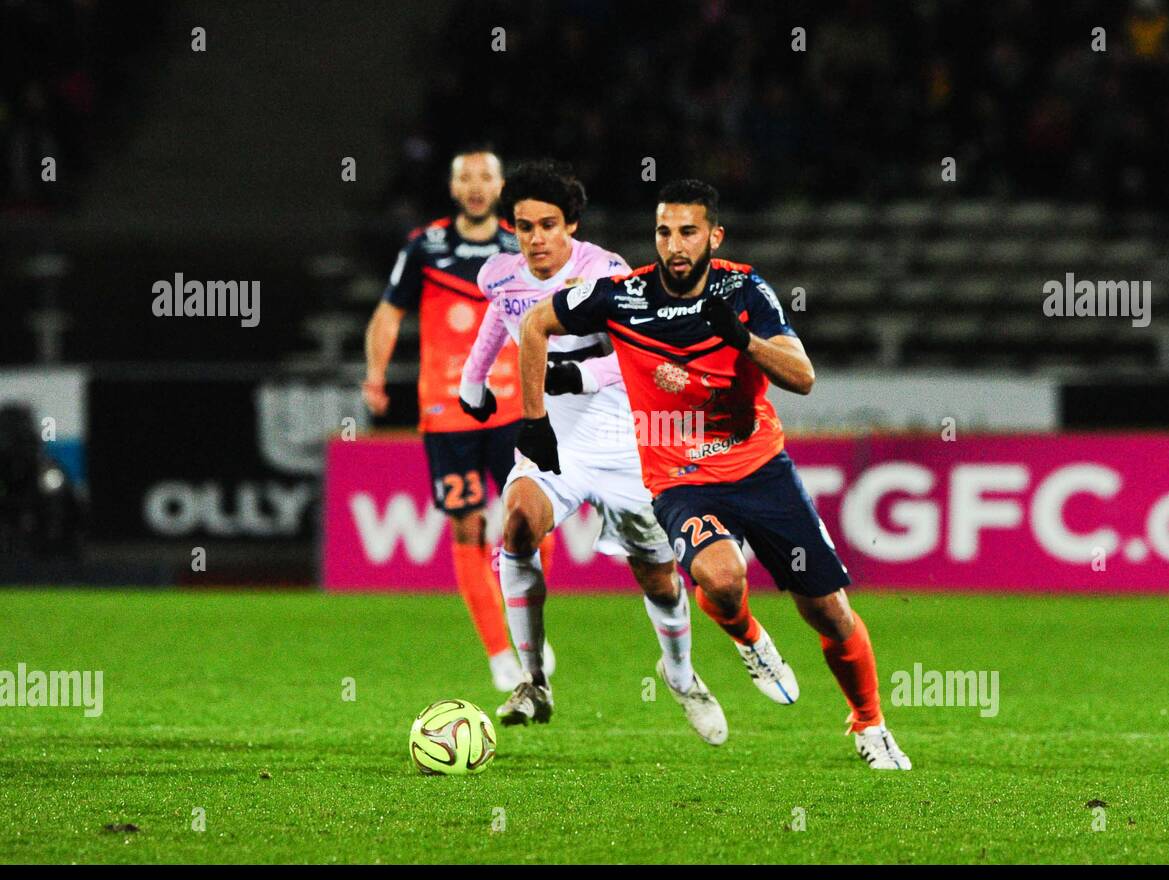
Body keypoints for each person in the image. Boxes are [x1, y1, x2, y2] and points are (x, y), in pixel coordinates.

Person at [514, 179, 912, 769]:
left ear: (713, 236)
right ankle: (748, 636)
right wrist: (534, 421)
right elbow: (534, 326)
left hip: (757, 465)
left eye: (688, 232)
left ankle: (869, 723)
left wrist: (744, 339)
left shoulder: (745, 290)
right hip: (678, 477)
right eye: (664, 232)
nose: (674, 245)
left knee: (828, 609)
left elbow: (803, 377)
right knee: (721, 579)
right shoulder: (622, 295)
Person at [458, 161, 726, 745]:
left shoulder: (605, 271)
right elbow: (497, 322)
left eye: (547, 225)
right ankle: (532, 680)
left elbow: (641, 351)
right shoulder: (500, 274)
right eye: (523, 226)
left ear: (570, 225)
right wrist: (471, 381)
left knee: (656, 574)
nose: (535, 239)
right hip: (552, 437)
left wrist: (576, 373)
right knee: (519, 524)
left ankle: (680, 677)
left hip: (621, 434)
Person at [362, 146, 553, 692]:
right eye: (465, 177)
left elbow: (552, 312)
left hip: (514, 406)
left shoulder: (519, 248)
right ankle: (498, 651)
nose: (474, 185)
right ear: (453, 188)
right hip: (446, 409)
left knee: (531, 519)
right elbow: (387, 312)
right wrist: (375, 374)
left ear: (500, 187)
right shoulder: (425, 246)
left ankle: (527, 629)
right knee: (468, 525)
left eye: (485, 176)